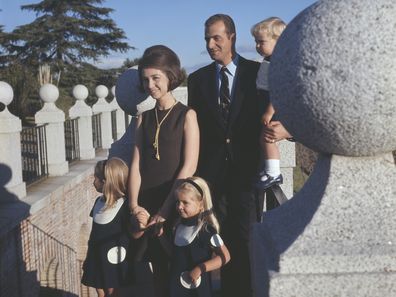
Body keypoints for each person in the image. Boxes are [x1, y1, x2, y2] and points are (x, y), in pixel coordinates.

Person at [187, 14, 261, 297]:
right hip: (212, 176)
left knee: (243, 237)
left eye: (216, 37)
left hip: (247, 171)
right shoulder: (197, 80)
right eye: (207, 38)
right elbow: (196, 130)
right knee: (216, 237)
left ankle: (244, 291)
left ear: (232, 37)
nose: (210, 44)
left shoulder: (256, 73)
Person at [128, 45, 199, 297]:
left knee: (180, 269)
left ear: (170, 76)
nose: (150, 84)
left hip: (177, 204)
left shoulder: (187, 115)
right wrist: (135, 206)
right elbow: (136, 165)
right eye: (145, 79)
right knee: (156, 270)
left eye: (156, 77)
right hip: (147, 205)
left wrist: (166, 210)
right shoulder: (142, 118)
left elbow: (188, 166)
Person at [82, 158, 135, 297]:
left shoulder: (124, 206)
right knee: (100, 290)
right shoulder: (98, 202)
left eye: (96, 178)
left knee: (113, 293)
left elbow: (133, 234)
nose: (93, 182)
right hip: (96, 256)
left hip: (114, 260)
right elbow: (94, 233)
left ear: (105, 182)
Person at [170, 177, 230, 297]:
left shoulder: (206, 230)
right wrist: (160, 236)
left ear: (201, 203)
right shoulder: (177, 227)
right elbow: (174, 254)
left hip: (198, 290)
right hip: (177, 289)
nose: (179, 206)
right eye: (178, 202)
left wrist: (200, 268)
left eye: (185, 202)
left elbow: (225, 256)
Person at [251, 17, 287, 189]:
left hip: (272, 104)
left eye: (261, 42)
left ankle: (273, 173)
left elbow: (279, 90)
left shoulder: (278, 62)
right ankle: (269, 170)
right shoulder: (268, 60)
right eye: (256, 42)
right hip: (264, 99)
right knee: (264, 138)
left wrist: (269, 111)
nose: (257, 46)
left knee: (267, 138)